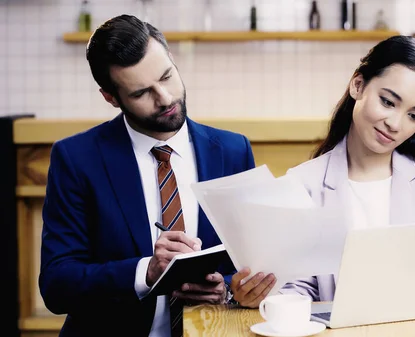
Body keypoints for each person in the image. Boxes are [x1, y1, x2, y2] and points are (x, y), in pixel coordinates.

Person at [38, 14, 274, 337]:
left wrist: (230, 290)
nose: (164, 98)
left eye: (166, 76)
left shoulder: (233, 151)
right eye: (140, 93)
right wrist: (146, 272)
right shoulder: (76, 160)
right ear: (110, 97)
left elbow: (249, 261)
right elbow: (56, 283)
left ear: (172, 60)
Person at [276, 35, 415, 303]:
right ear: (358, 85)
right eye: (388, 102)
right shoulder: (303, 183)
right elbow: (296, 289)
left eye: (414, 115)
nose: (396, 124)